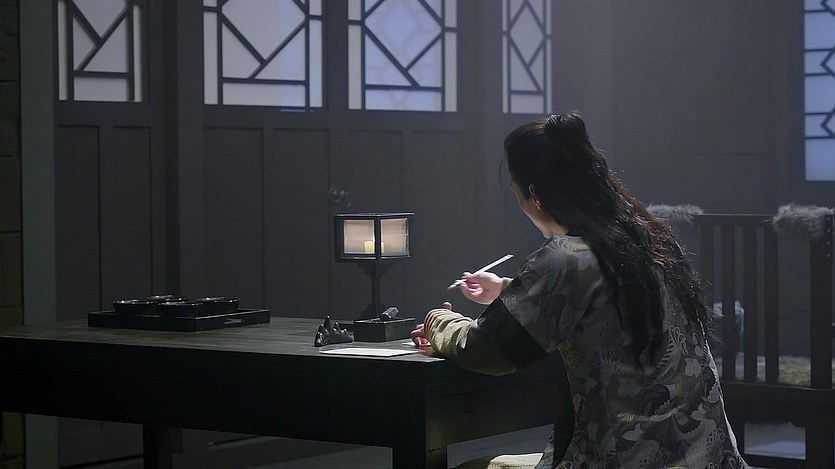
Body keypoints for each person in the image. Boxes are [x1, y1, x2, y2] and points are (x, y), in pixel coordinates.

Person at [411, 113, 749, 468]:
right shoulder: (649, 240)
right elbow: (609, 303)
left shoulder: (566, 259)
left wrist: (439, 321)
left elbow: (488, 349)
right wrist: (508, 290)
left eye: (515, 192)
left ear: (534, 195)